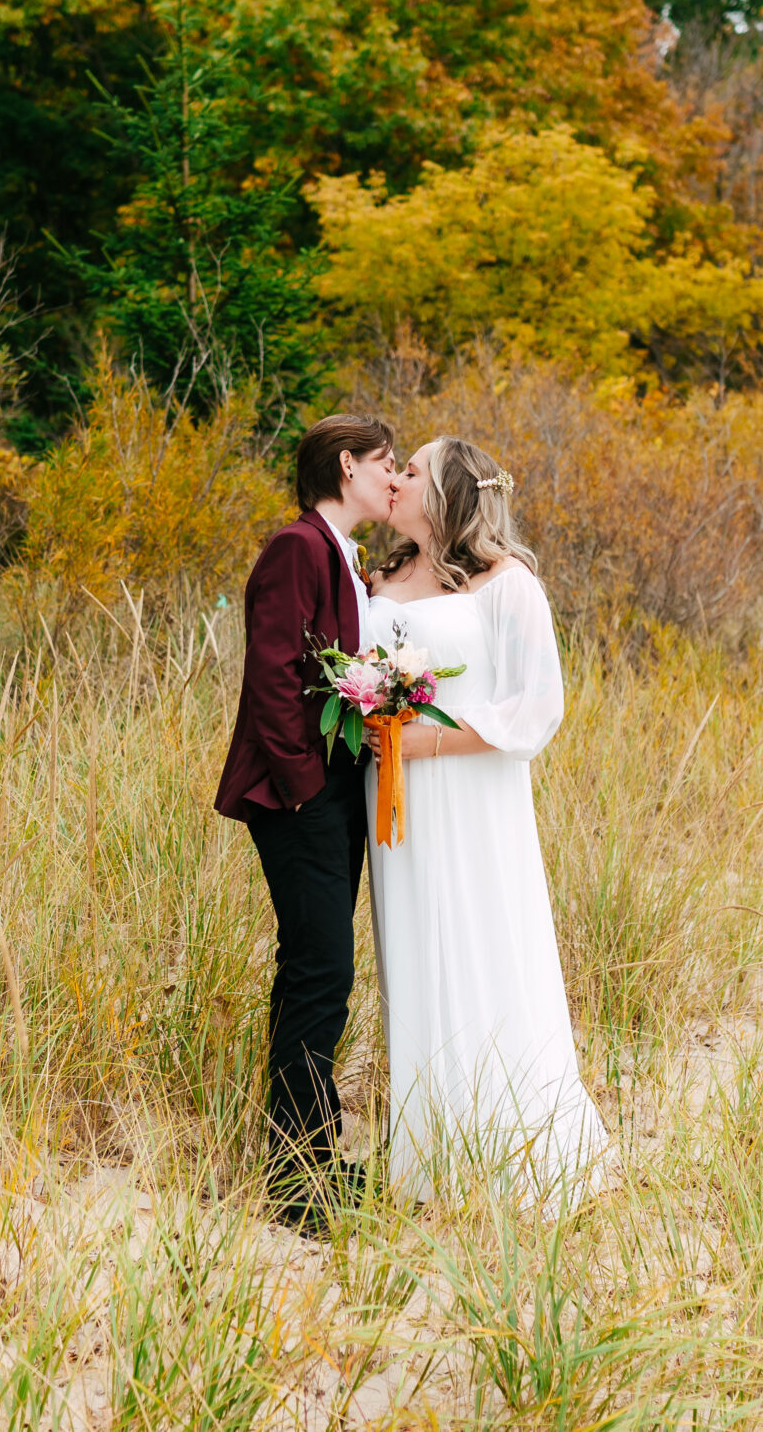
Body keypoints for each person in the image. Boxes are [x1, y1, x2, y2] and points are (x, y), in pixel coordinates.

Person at [361, 437, 610, 1208]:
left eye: (412, 472)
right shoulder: (379, 578)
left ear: (450, 493)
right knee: (415, 947)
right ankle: (429, 1147)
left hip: (471, 794)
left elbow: (538, 707)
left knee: (484, 940)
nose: (397, 481)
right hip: (394, 802)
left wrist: (428, 739)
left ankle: (512, 1143)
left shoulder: (508, 583)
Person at [214, 414, 398, 1233]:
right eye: (386, 461)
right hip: (298, 798)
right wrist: (304, 793)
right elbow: (273, 674)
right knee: (321, 974)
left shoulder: (347, 555)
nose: (393, 476)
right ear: (347, 464)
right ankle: (295, 1184)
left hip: (332, 794)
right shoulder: (297, 547)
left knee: (318, 973)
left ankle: (312, 1160)